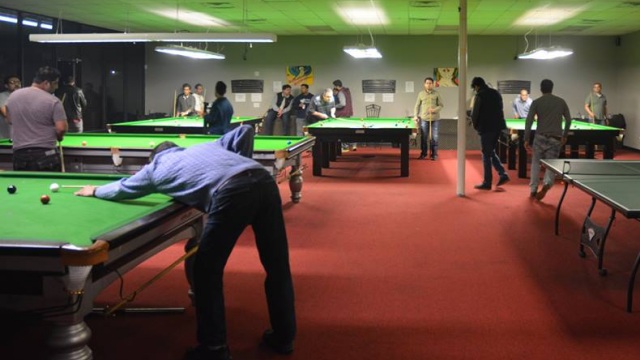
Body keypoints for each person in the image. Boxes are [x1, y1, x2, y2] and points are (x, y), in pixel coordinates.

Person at [74, 125, 296, 360]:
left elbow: (123, 188)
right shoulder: (206, 147)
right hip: (262, 179)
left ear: (154, 158)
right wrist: (239, 163)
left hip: (230, 192)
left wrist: (95, 190)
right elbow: (245, 131)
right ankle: (284, 337)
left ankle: (214, 349)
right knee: (277, 265)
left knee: (206, 270)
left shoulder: (155, 167)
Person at [5, 66, 67, 171]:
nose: (56, 87)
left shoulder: (12, 97)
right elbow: (61, 128)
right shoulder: (53, 101)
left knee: (23, 186)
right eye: (55, 83)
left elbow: (9, 120)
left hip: (19, 154)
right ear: (47, 83)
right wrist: (59, 136)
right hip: (46, 154)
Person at [525, 79, 572, 200]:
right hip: (555, 138)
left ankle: (533, 190)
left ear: (541, 89)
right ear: (552, 88)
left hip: (539, 137)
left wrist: (526, 138)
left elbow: (529, 121)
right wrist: (565, 135)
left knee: (535, 163)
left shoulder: (536, 102)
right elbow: (569, 120)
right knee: (551, 165)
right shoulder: (561, 101)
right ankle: (546, 185)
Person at [470, 77, 510, 190]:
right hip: (498, 127)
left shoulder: (479, 95)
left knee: (486, 155)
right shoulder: (496, 93)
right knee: (490, 151)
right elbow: (500, 109)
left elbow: (475, 114)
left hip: (486, 128)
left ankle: (487, 182)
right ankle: (503, 174)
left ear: (476, 86)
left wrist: (475, 125)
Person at [412, 77, 444, 160]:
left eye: (430, 83)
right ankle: (423, 154)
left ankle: (434, 154)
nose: (428, 84)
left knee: (435, 137)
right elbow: (417, 105)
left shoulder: (436, 93)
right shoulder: (421, 94)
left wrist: (434, 110)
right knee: (424, 137)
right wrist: (415, 115)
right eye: (427, 83)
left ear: (433, 84)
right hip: (424, 119)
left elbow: (441, 105)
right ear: (424, 84)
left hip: (435, 118)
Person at [333, 80, 355, 150]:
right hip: (347, 113)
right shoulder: (347, 91)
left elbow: (342, 104)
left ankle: (344, 147)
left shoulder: (341, 92)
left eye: (334, 86)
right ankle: (352, 145)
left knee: (342, 132)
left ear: (336, 86)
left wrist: (334, 106)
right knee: (347, 130)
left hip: (342, 114)